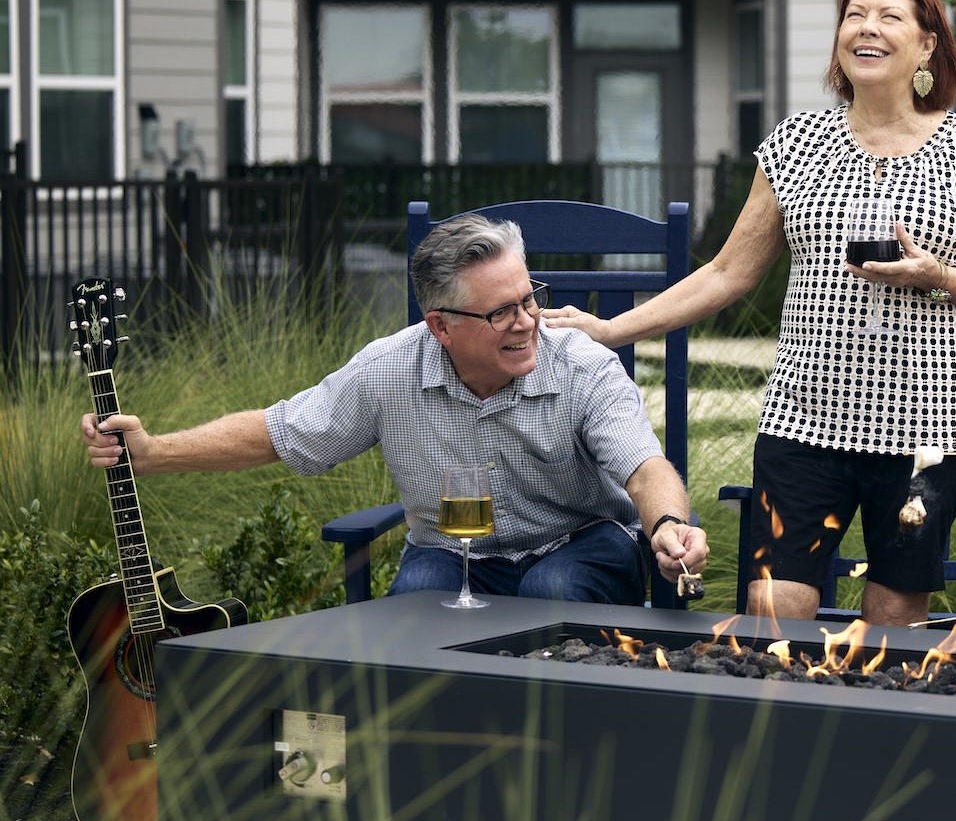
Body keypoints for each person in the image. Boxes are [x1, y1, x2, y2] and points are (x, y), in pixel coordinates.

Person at [544, 0, 956, 627]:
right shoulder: (798, 143)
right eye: (855, 15)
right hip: (807, 417)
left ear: (926, 45)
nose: (866, 29)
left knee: (894, 617)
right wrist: (611, 329)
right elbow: (726, 273)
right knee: (773, 606)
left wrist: (939, 275)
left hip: (930, 425)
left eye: (889, 17)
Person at [79, 213, 708, 604]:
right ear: (441, 326)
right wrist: (154, 453)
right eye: (500, 312)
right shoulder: (389, 370)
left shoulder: (579, 364)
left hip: (580, 544)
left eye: (528, 299)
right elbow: (280, 432)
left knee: (552, 588)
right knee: (417, 602)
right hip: (451, 550)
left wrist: (665, 524)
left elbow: (643, 466)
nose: (527, 322)